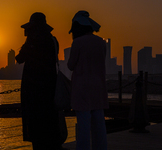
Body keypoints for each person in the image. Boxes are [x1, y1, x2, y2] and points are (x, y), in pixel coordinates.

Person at [15, 12, 67, 150]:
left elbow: (19, 58)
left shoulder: (33, 41)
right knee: (49, 118)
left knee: (35, 122)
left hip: (33, 88)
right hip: (50, 86)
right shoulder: (53, 40)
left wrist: (27, 43)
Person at [67, 10, 109, 150]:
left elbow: (71, 65)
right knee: (99, 123)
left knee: (84, 124)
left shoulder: (77, 42)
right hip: (99, 86)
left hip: (82, 88)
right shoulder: (101, 42)